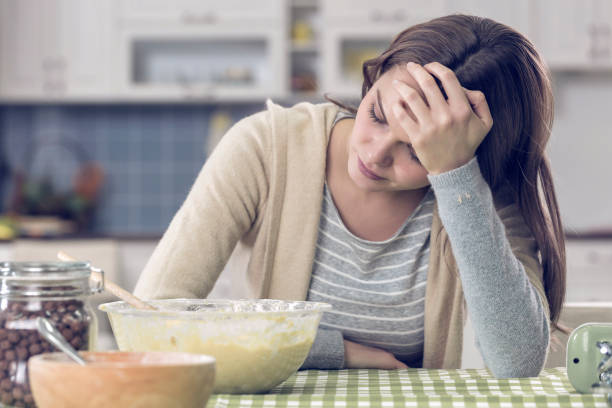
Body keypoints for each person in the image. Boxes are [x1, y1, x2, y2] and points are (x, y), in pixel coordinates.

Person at [133, 14, 567, 378]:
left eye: (417, 150)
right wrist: (333, 350)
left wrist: (455, 175)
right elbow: (149, 319)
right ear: (374, 77)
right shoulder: (266, 148)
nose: (375, 155)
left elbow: (517, 363)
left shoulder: (475, 190)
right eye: (378, 114)